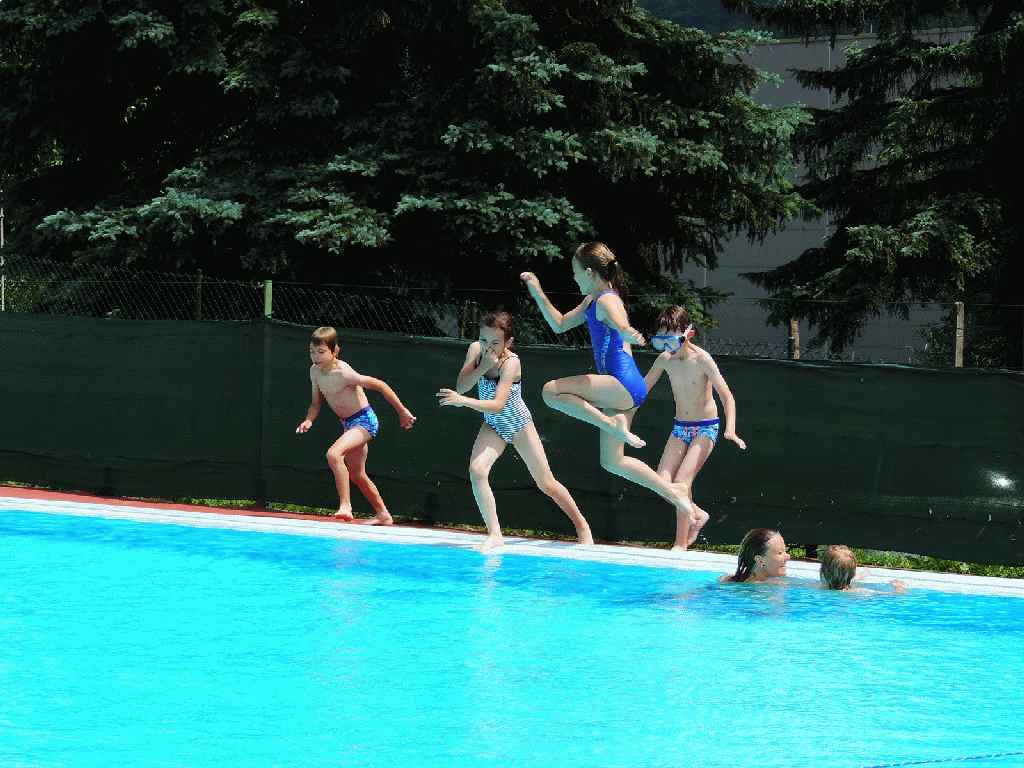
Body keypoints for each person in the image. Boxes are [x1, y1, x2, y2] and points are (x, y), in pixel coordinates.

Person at [520, 242, 695, 544]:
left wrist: (626, 331)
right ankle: (678, 497)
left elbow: (619, 321)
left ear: (590, 272)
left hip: (621, 383)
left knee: (551, 391)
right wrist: (537, 291)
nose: (574, 278)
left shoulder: (607, 300)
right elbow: (559, 324)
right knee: (613, 462)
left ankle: (610, 424)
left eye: (576, 272)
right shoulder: (592, 300)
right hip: (624, 388)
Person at [435, 311, 594, 552]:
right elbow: (462, 386)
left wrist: (463, 402)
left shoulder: (511, 362)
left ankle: (582, 527)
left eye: (495, 342)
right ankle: (495, 534)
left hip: (518, 424)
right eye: (484, 339)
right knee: (477, 471)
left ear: (508, 342)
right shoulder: (476, 350)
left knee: (546, 483)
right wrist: (483, 366)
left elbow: (498, 404)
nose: (488, 346)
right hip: (493, 424)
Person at [645, 305, 747, 548]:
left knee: (681, 483)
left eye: (670, 337)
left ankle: (679, 545)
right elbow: (642, 389)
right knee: (661, 482)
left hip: (705, 427)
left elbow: (727, 396)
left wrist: (730, 429)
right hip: (680, 427)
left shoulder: (702, 359)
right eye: (661, 338)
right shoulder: (665, 360)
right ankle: (697, 514)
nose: (666, 345)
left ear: (687, 334)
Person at [295, 326, 416, 524]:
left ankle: (345, 506)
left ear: (335, 351)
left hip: (365, 421)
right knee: (357, 474)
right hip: (349, 425)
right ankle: (383, 514)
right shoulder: (314, 372)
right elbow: (316, 403)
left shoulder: (344, 373)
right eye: (312, 352)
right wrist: (309, 420)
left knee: (334, 454)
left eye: (321, 352)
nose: (315, 356)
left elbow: (380, 385)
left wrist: (402, 411)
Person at [819, 545, 907, 593]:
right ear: (853, 574)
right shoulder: (858, 592)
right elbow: (892, 595)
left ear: (823, 571)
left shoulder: (820, 588)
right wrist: (899, 587)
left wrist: (859, 577)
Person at [721, 528, 790, 582]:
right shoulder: (769, 589)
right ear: (760, 561)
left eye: (785, 551)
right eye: (780, 553)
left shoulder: (726, 580)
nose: (788, 557)